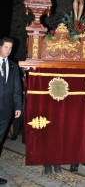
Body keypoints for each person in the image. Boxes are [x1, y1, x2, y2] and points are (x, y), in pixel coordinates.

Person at [0, 37, 22, 185]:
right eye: (6, 47)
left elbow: (16, 89)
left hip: (6, 111)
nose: (8, 50)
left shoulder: (13, 66)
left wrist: (18, 106)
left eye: (10, 48)